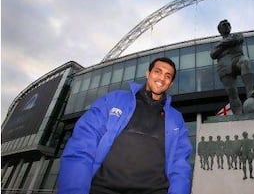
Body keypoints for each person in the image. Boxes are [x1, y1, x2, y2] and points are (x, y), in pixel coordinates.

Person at [57, 57, 193, 194]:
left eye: (167, 76)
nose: (162, 78)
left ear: (170, 83)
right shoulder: (113, 100)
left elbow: (179, 165)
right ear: (148, 74)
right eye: (157, 71)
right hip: (102, 188)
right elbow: (82, 146)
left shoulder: (176, 119)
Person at [210, 19, 254, 115]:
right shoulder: (217, 45)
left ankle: (250, 92)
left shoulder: (237, 35)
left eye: (227, 24)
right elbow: (213, 54)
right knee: (232, 92)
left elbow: (236, 39)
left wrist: (221, 45)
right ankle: (238, 114)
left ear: (230, 27)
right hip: (223, 67)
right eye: (223, 25)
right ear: (219, 30)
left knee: (245, 62)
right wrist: (225, 44)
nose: (226, 26)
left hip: (236, 59)